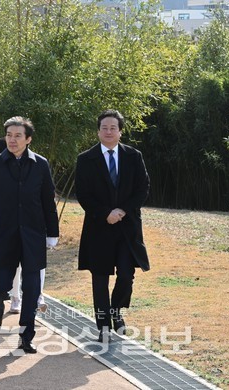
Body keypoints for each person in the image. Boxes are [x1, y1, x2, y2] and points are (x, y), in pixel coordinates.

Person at [0, 116, 59, 354]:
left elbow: (47, 201)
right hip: (2, 236)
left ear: (28, 139)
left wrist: (52, 232)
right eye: (9, 135)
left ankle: (26, 336)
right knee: (0, 284)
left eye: (17, 136)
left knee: (32, 289)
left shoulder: (40, 164)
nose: (12, 140)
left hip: (33, 236)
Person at [75, 109, 150, 343]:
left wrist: (122, 210)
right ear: (98, 131)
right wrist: (105, 213)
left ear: (120, 131)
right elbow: (83, 194)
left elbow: (143, 188)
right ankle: (103, 326)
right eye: (104, 128)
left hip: (127, 227)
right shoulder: (85, 159)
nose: (108, 132)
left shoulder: (133, 156)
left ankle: (116, 311)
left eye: (113, 128)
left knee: (126, 275)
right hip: (99, 227)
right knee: (100, 279)